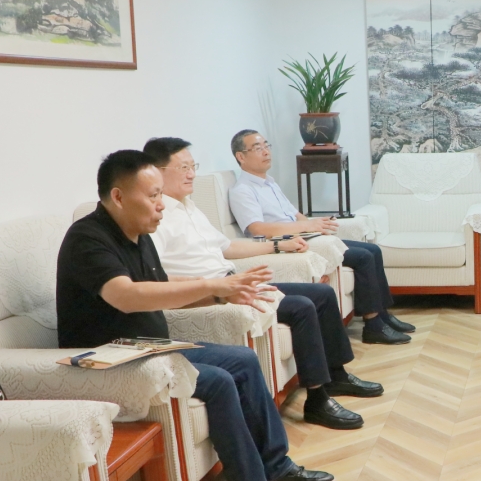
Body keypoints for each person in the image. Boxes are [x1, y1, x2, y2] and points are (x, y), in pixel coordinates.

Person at [57, 150, 330, 481]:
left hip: (150, 348)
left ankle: (276, 465)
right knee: (217, 382)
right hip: (110, 360)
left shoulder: (138, 233)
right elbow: (125, 295)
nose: (161, 205)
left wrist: (221, 294)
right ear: (118, 196)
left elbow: (162, 287)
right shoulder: (87, 238)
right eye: (153, 195)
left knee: (242, 360)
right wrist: (212, 284)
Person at [143, 137, 383, 431]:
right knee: (301, 306)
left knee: (321, 294)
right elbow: (154, 278)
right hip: (216, 292)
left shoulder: (190, 207)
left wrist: (278, 246)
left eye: (194, 166)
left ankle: (337, 376)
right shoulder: (156, 218)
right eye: (183, 168)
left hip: (232, 281)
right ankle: (317, 400)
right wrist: (213, 287)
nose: (192, 174)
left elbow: (227, 247)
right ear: (157, 172)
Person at [226, 129, 413, 345]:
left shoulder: (269, 183)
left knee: (373, 250)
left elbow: (295, 214)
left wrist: (315, 225)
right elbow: (256, 228)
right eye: (258, 148)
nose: (266, 152)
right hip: (292, 243)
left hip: (307, 236)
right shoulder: (242, 190)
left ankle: (383, 315)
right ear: (241, 156)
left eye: (266, 146)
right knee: (363, 257)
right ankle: (373, 326)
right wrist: (305, 227)